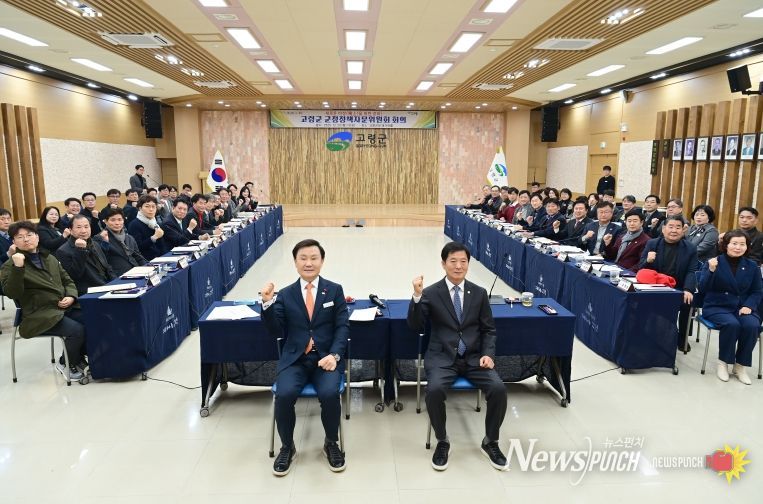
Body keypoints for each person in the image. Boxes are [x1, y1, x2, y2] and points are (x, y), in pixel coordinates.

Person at [408, 242, 508, 472]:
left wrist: (488, 354)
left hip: (474, 358)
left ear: (468, 264)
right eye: (453, 261)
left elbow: (489, 330)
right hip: (442, 357)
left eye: (463, 261)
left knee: (498, 389)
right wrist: (417, 296)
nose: (458, 266)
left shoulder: (479, 293)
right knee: (434, 391)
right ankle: (442, 441)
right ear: (443, 264)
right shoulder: (431, 293)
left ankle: (490, 441)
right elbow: (416, 325)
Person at [261, 239, 349, 476]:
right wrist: (267, 304)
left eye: (313, 258)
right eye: (303, 258)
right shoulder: (285, 294)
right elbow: (276, 330)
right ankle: (287, 447)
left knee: (330, 394)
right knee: (284, 395)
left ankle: (331, 442)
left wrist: (335, 355)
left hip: (326, 359)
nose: (308, 263)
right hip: (295, 359)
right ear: (295, 262)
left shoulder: (334, 290)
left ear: (322, 261)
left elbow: (342, 327)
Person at [0, 221, 87, 380]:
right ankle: (66, 363)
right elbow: (12, 293)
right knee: (76, 330)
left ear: (37, 237)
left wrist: (71, 296)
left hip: (61, 308)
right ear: (14, 242)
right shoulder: (9, 266)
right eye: (20, 237)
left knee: (91, 320)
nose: (26, 239)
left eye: (29, 235)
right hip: (38, 315)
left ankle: (78, 357)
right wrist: (18, 268)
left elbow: (67, 280)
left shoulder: (49, 258)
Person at [699, 230, 762, 384]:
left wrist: (749, 305)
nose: (738, 247)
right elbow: (703, 288)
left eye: (742, 244)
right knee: (731, 324)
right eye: (734, 243)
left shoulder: (752, 266)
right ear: (726, 245)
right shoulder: (714, 262)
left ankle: (740, 366)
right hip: (717, 306)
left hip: (742, 307)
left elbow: (757, 291)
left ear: (747, 247)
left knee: (752, 325)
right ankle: (723, 362)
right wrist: (711, 271)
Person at [638, 216, 698, 350]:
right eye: (671, 227)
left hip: (678, 287)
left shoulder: (690, 248)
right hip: (655, 286)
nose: (674, 230)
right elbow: (641, 268)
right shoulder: (652, 244)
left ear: (683, 230)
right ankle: (642, 331)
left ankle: (682, 338)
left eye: (678, 227)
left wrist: (688, 289)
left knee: (688, 301)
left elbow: (691, 271)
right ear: (664, 229)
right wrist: (648, 261)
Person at [55, 214, 115, 295]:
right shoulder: (63, 251)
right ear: (70, 230)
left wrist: (116, 282)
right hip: (89, 292)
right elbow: (74, 276)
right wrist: (80, 250)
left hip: (107, 285)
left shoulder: (94, 243)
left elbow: (106, 266)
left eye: (86, 227)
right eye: (79, 227)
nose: (83, 231)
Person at [97, 208, 147, 276]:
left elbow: (139, 257)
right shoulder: (100, 238)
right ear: (105, 221)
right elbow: (104, 262)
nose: (117, 223)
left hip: (137, 272)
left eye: (120, 220)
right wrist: (105, 242)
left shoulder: (129, 238)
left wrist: (147, 269)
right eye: (113, 220)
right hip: (119, 276)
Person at [127, 195, 166, 261]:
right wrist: (154, 237)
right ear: (140, 208)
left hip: (161, 259)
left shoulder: (155, 223)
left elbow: (162, 246)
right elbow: (137, 248)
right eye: (147, 206)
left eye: (153, 206)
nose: (151, 209)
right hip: (145, 261)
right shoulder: (134, 224)